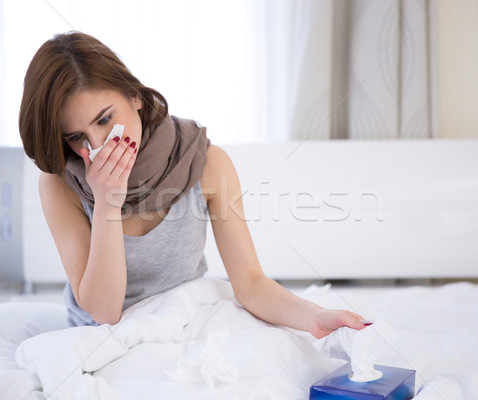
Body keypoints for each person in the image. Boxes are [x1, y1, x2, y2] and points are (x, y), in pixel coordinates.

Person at [19, 31, 366, 338]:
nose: (97, 146)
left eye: (105, 119)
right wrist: (107, 203)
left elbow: (250, 283)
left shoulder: (207, 164)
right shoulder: (59, 185)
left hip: (183, 323)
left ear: (134, 96)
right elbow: (104, 313)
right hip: (101, 340)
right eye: (77, 137)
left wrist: (315, 317)